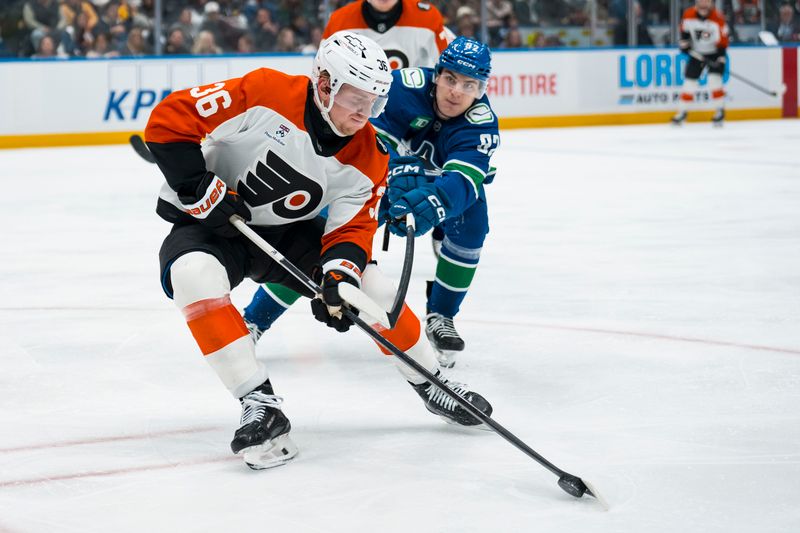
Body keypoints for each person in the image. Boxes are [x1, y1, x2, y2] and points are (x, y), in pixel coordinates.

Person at [145, 31, 492, 470]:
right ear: (325, 84)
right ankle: (259, 403)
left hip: (289, 233)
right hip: (212, 224)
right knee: (191, 274)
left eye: (374, 103)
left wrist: (339, 276)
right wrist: (196, 184)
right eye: (355, 99)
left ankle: (432, 381)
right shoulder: (266, 91)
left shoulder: (368, 154)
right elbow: (170, 118)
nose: (364, 114)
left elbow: (354, 226)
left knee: (371, 288)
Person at [242, 37, 499, 370]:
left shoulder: (481, 122)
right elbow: (365, 135)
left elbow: (464, 180)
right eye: (450, 79)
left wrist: (434, 201)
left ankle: (442, 316)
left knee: (473, 223)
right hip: (380, 177)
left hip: (439, 185)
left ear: (480, 90)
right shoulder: (403, 87)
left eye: (469, 85)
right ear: (437, 74)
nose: (456, 92)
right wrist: (392, 168)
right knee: (323, 240)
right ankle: (255, 319)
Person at [322, 0, 451, 69]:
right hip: (357, 105)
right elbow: (322, 71)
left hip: (411, 105)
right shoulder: (339, 20)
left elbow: (448, 69)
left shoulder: (428, 18)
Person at [672, 0, 729, 127]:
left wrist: (720, 59)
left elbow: (723, 41)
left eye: (706, 2)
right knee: (689, 83)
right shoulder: (688, 14)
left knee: (714, 81)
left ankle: (719, 111)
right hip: (696, 53)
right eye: (701, 1)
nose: (703, 4)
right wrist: (685, 44)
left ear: (711, 4)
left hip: (714, 53)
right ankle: (682, 112)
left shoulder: (718, 18)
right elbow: (684, 33)